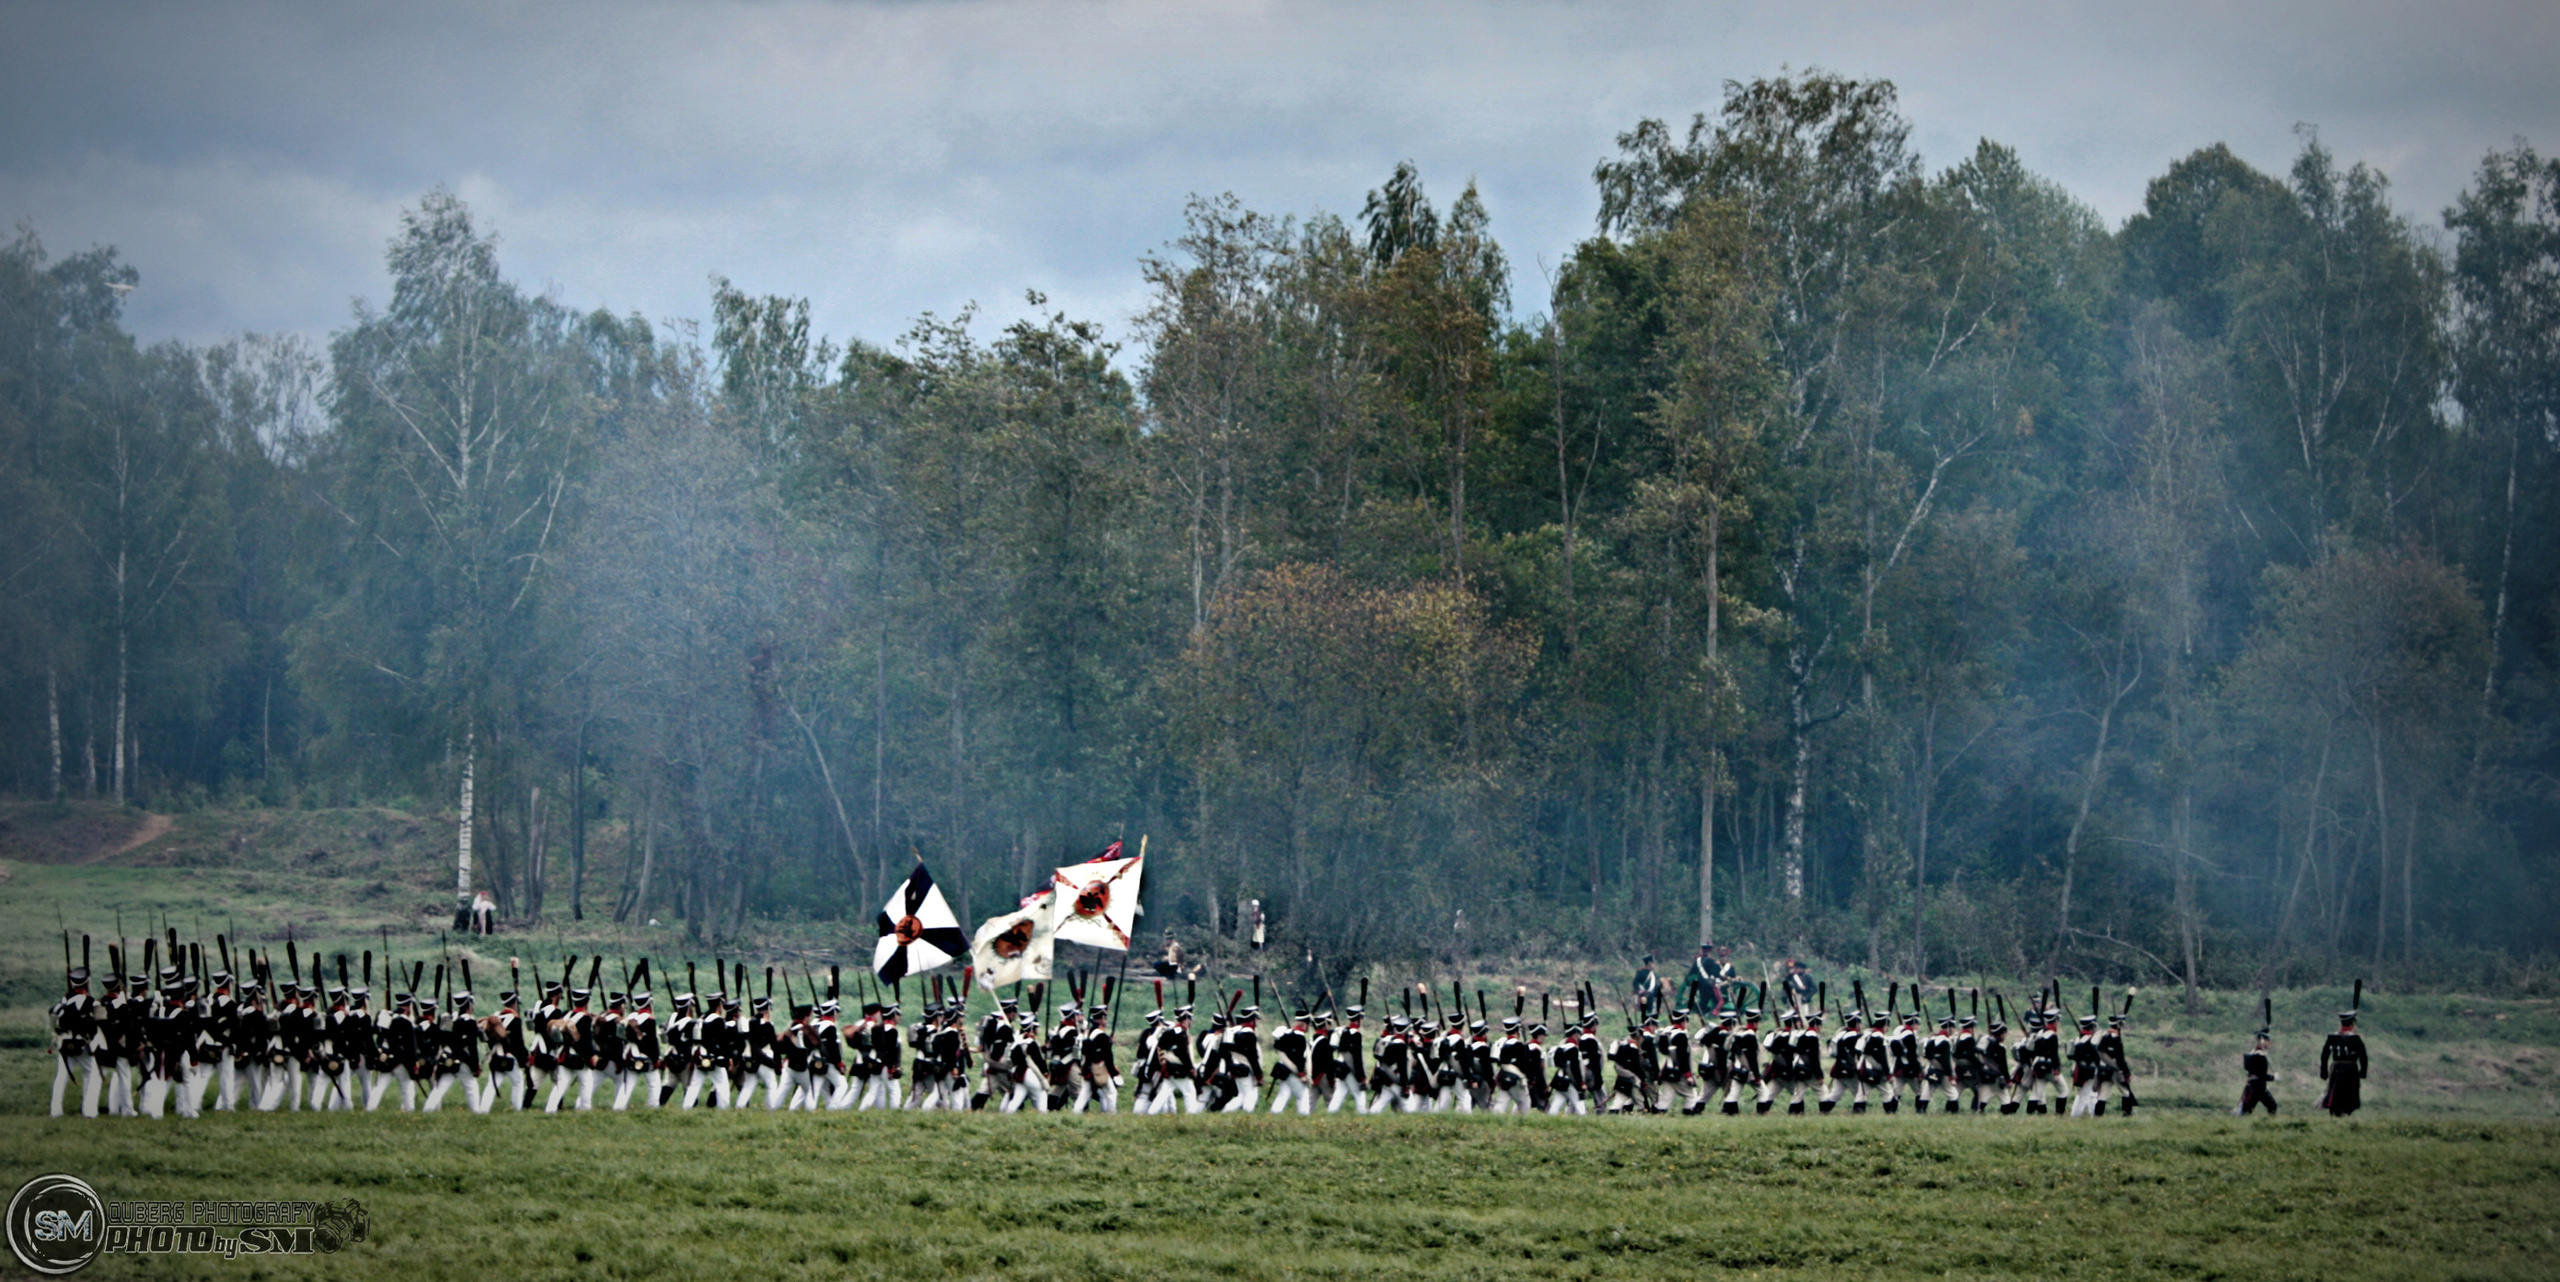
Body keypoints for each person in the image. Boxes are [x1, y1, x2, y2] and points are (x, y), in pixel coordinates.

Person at [2319, 1010, 2368, 1117]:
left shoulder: (2332, 1038)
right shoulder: (2356, 1039)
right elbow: (2363, 1057)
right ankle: (2344, 1113)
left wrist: (2324, 1071)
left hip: (2336, 1069)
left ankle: (2337, 1113)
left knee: (2337, 1094)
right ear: (2352, 1024)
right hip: (2351, 1070)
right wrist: (2363, 1072)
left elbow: (2324, 1056)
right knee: (2348, 1094)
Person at [2238, 1028, 2278, 1116]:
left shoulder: (2253, 1053)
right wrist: (2273, 1077)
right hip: (2259, 1087)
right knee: (2272, 1106)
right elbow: (2261, 1075)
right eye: (2268, 1041)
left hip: (2252, 1085)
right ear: (2264, 1041)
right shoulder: (2260, 1055)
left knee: (2247, 1110)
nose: (2270, 1043)